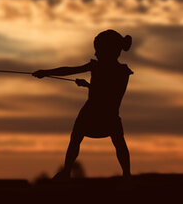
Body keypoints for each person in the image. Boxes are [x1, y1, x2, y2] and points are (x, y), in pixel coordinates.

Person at [33, 29, 133, 179]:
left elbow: (111, 93)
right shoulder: (113, 69)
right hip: (101, 113)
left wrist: (88, 86)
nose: (96, 54)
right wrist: (47, 72)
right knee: (109, 140)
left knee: (109, 141)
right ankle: (67, 171)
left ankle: (126, 174)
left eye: (98, 50)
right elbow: (69, 70)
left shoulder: (122, 72)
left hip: (104, 113)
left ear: (109, 51)